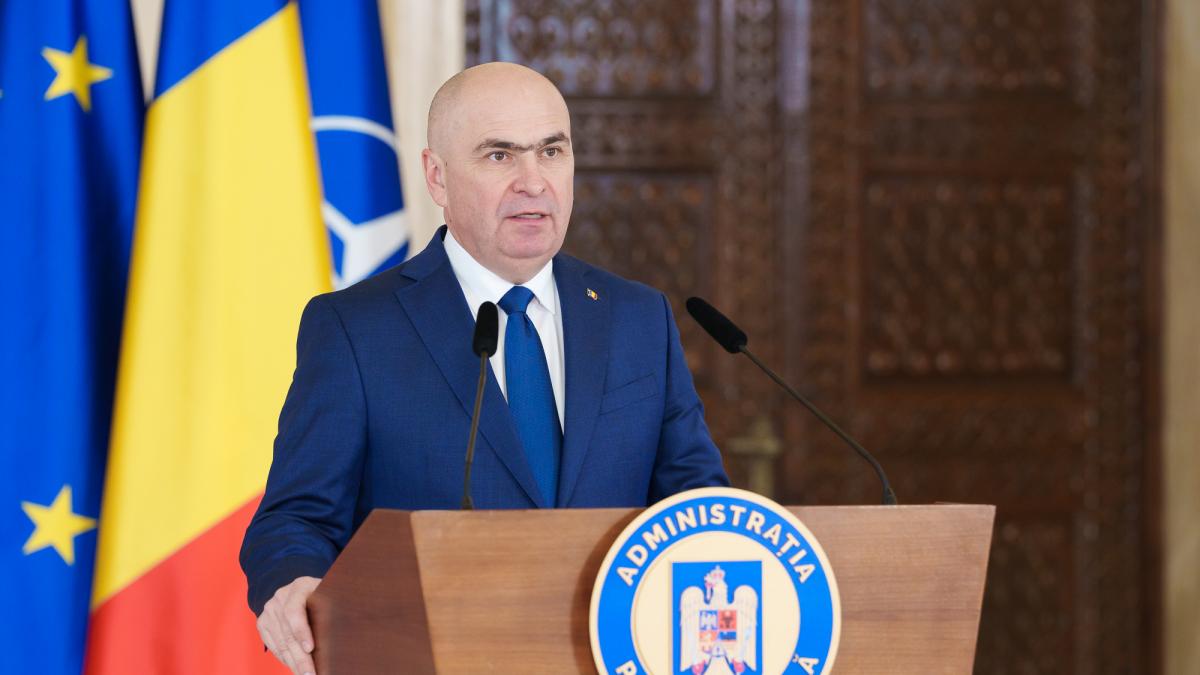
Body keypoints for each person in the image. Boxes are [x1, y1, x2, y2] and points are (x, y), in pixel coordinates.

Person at [240, 62, 729, 674]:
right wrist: (294, 583)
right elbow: (296, 517)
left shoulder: (637, 316)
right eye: (500, 156)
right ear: (437, 177)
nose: (533, 182)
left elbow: (697, 501)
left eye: (551, 151)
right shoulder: (356, 329)